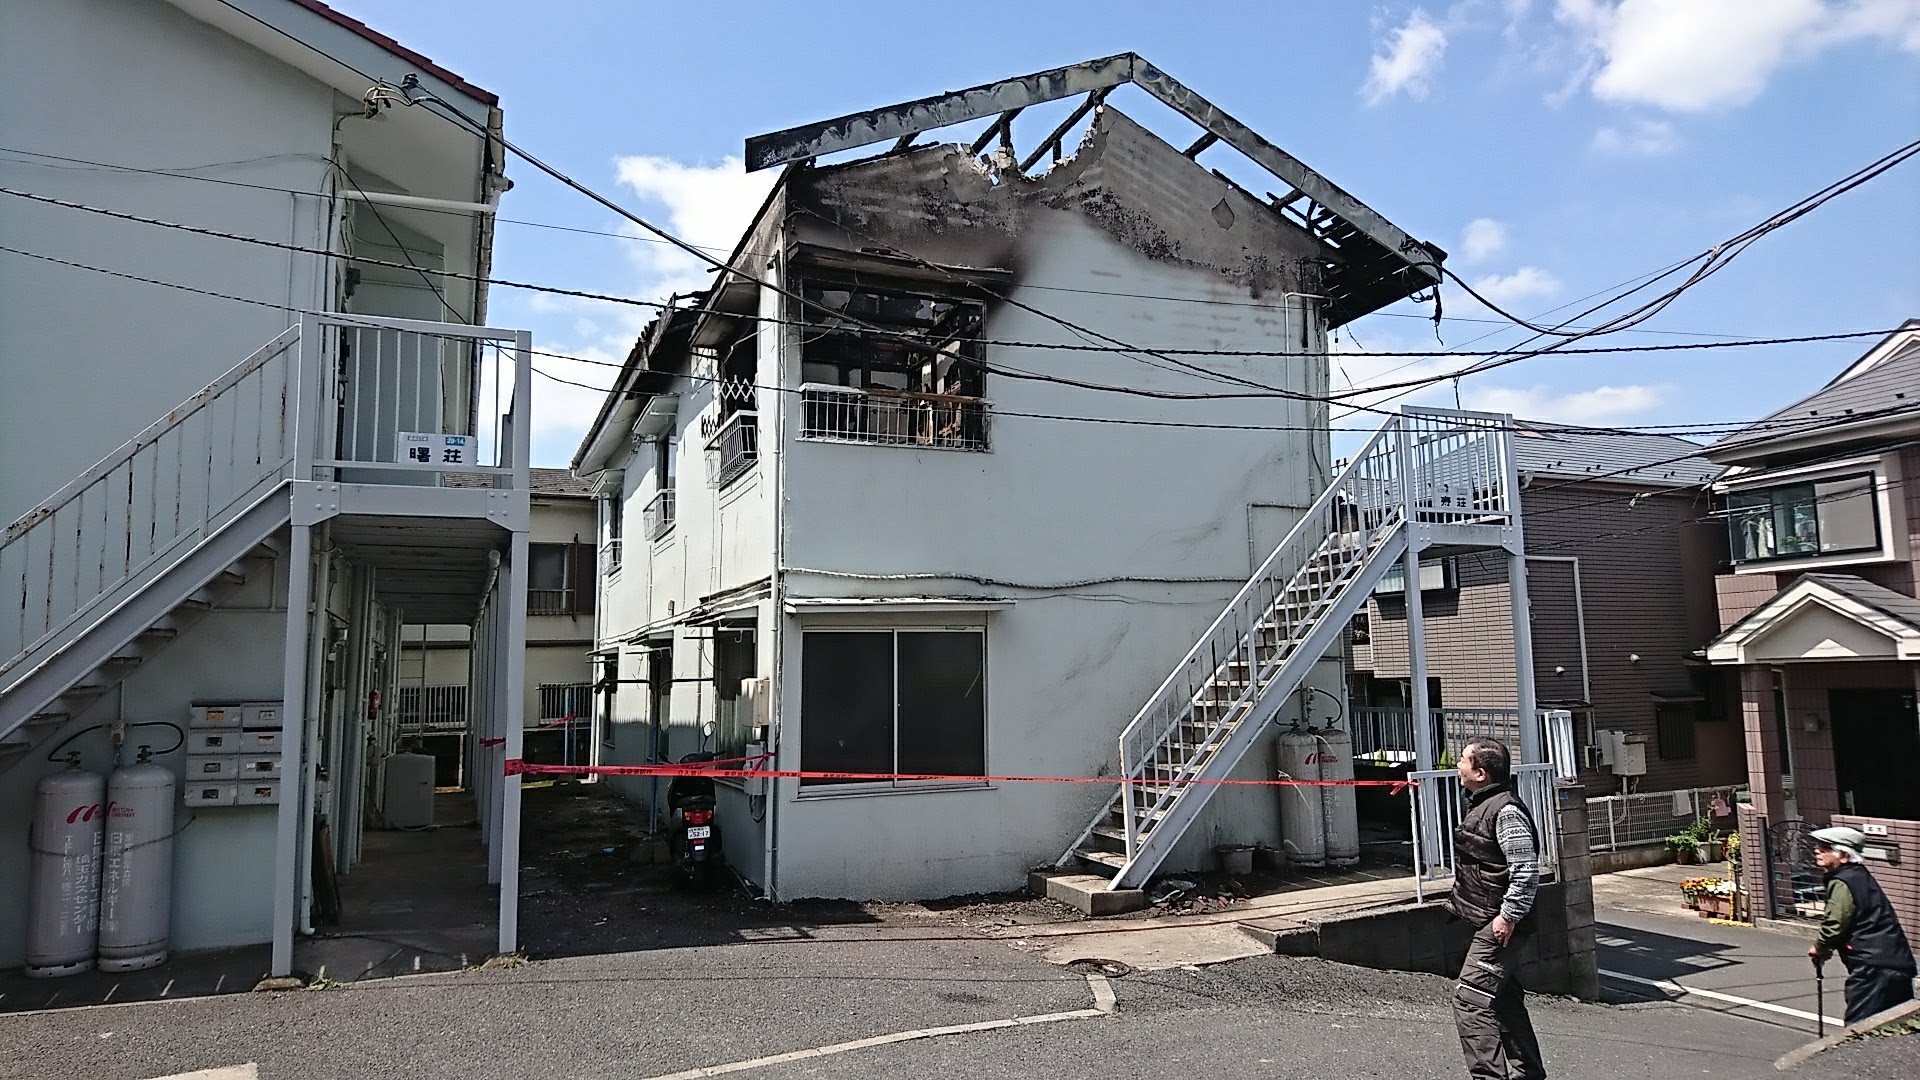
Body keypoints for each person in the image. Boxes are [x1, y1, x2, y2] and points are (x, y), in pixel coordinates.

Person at [1446, 737, 1546, 1080]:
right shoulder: (1484, 803)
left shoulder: (1505, 811)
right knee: (1501, 999)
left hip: (1499, 920)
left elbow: (1526, 869)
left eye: (1462, 760)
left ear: (1481, 773)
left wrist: (1508, 916)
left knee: (1470, 1001)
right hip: (1486, 915)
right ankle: (1528, 1073)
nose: (1457, 765)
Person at [1807, 825, 1917, 1025]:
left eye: (1824, 847)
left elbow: (1836, 922)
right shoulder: (1858, 876)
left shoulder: (1843, 881)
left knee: (1858, 1029)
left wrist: (1820, 947)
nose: (1817, 850)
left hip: (1872, 967)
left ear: (1843, 855)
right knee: (1897, 1026)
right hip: (1894, 962)